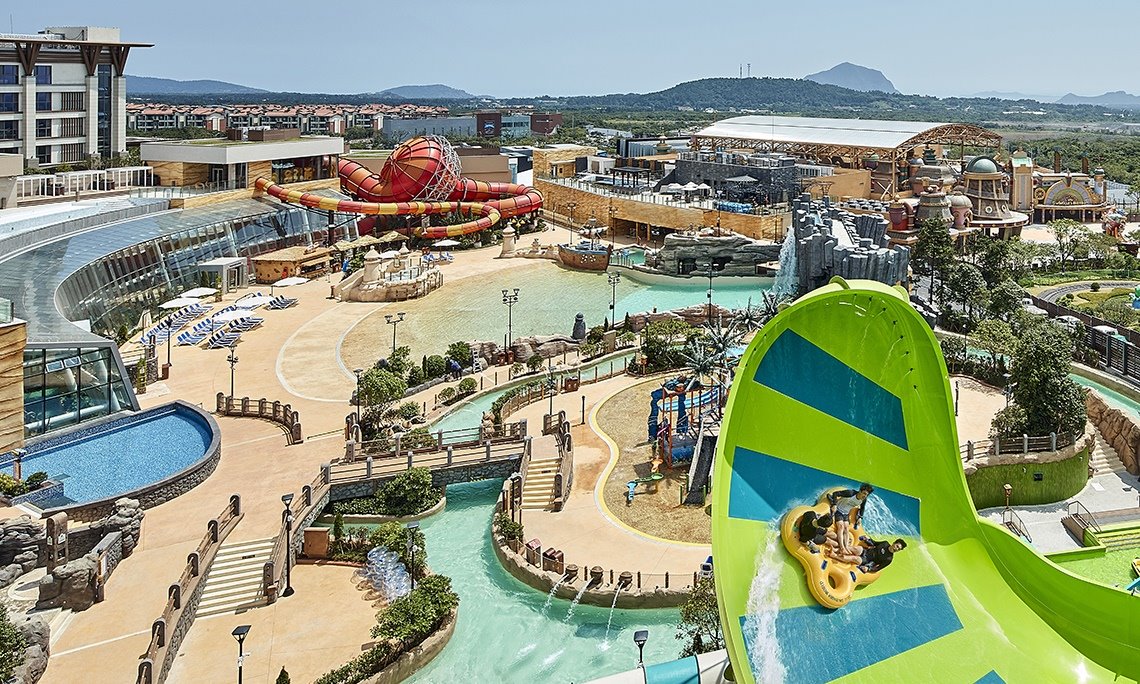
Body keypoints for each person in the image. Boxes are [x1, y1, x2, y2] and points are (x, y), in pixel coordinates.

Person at [827, 483, 873, 554]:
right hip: (838, 510)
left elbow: (862, 508)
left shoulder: (863, 500)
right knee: (841, 527)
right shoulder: (850, 493)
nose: (865, 496)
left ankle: (846, 547)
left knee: (846, 528)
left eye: (867, 495)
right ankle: (842, 547)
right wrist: (834, 504)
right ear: (860, 491)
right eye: (864, 493)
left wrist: (860, 517)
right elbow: (835, 493)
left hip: (846, 513)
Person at [830, 537, 906, 573]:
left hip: (866, 560)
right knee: (856, 549)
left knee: (855, 558)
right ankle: (835, 550)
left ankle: (834, 555)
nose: (896, 549)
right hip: (866, 552)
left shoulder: (889, 559)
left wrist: (868, 569)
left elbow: (878, 568)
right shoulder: (885, 543)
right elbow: (875, 543)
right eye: (897, 546)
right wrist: (867, 539)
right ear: (894, 543)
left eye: (899, 549)